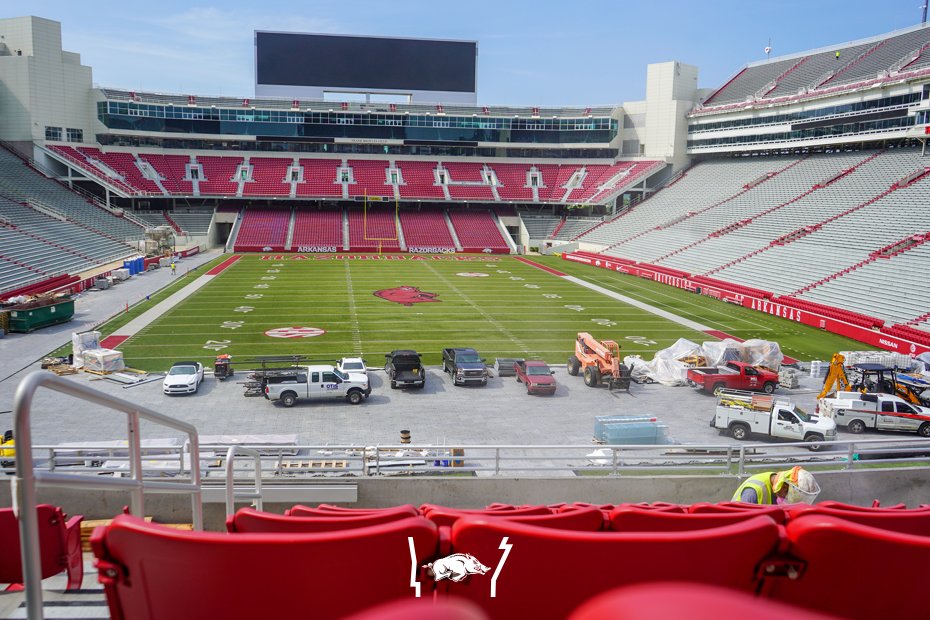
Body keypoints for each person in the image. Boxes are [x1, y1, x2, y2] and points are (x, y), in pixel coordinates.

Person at [731, 466, 820, 505]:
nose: (787, 500)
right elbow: (743, 525)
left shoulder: (775, 482)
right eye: (789, 497)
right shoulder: (753, 492)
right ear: (784, 487)